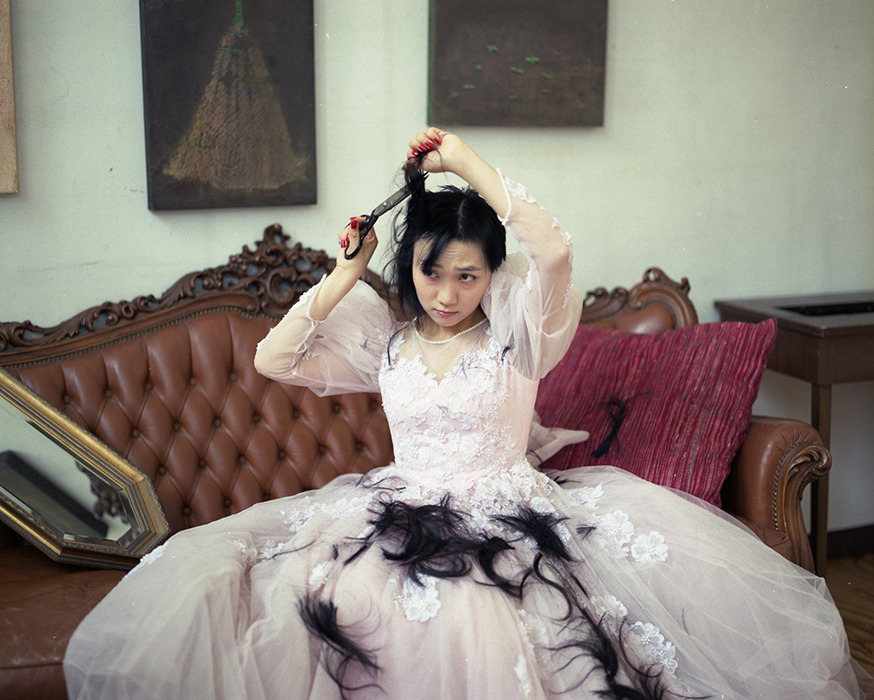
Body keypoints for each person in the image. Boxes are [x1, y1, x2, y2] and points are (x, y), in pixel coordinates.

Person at [64, 128, 867, 699]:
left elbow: (552, 252)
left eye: (468, 276)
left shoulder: (519, 336)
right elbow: (276, 359)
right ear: (408, 266)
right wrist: (345, 274)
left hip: (514, 516)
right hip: (398, 507)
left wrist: (463, 161)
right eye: (431, 273)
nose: (447, 295)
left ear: (492, 277)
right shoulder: (385, 340)